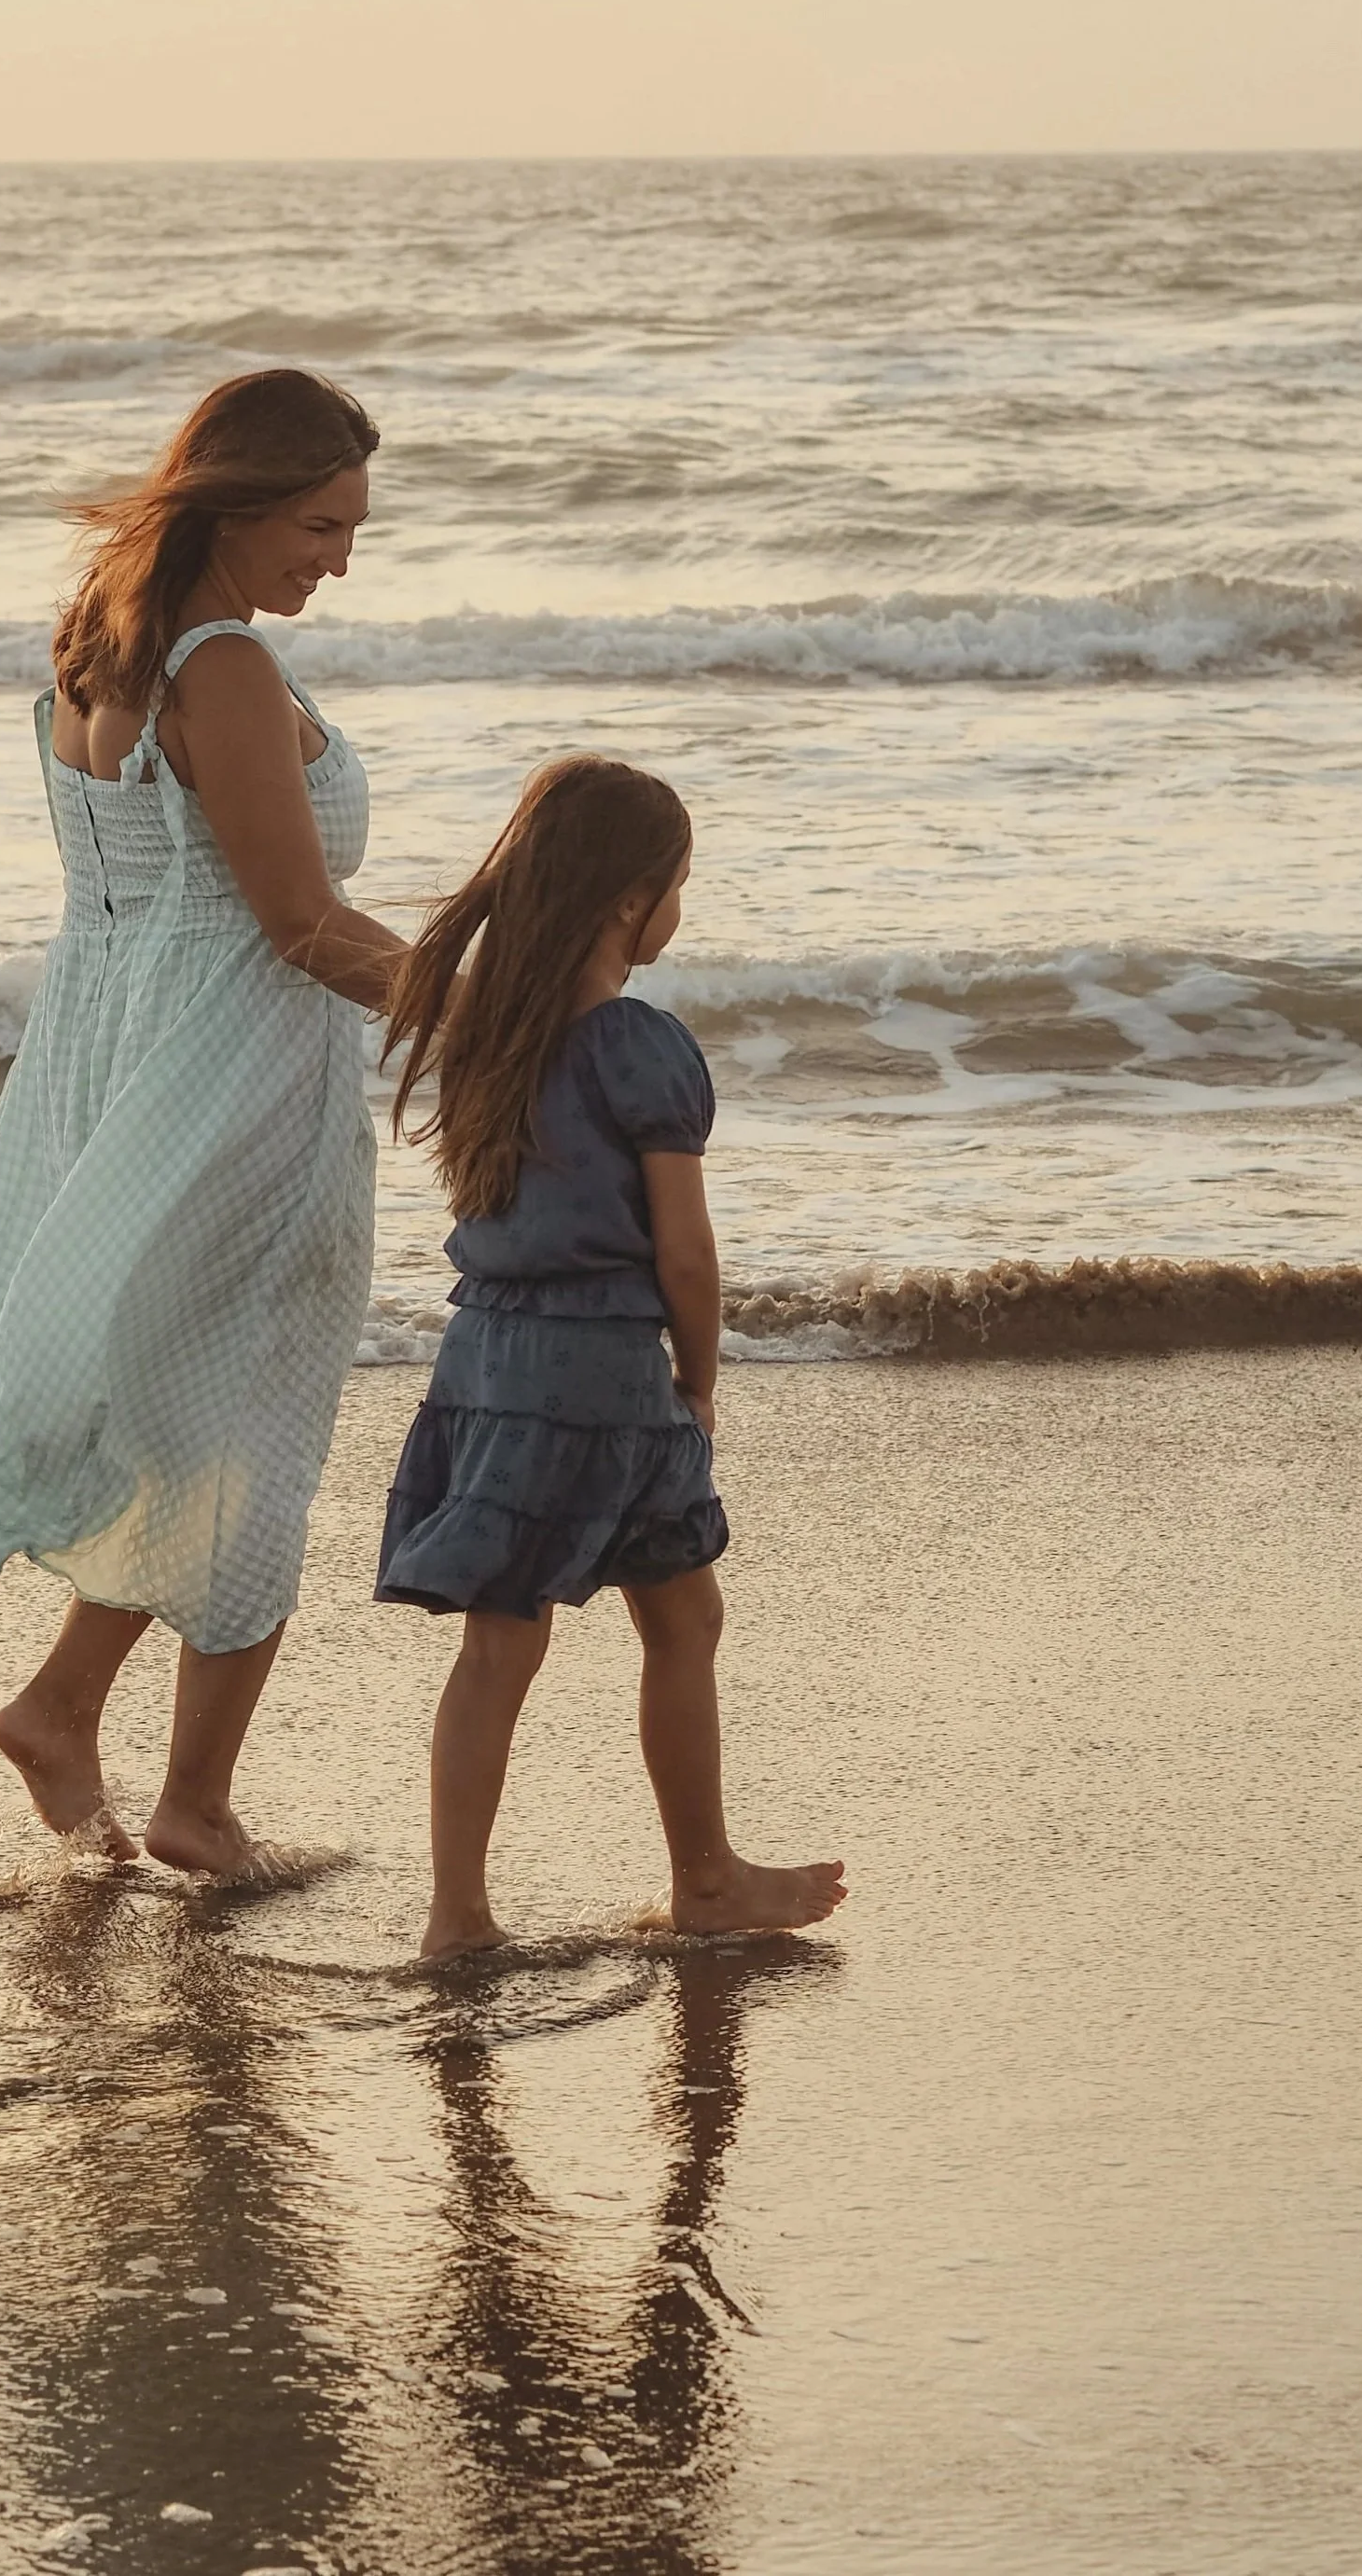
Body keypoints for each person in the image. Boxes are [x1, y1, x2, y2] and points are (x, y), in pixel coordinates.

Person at [0, 369, 405, 1879]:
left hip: (128, 1079)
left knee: (184, 1421)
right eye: (322, 524)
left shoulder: (93, 651)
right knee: (251, 1439)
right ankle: (194, 1802)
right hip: (239, 1099)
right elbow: (302, 926)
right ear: (240, 503)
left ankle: (66, 1709)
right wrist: (497, 1008)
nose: (340, 556)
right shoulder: (228, 671)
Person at [374, 755, 848, 1959]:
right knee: (668, 1625)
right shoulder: (638, 1045)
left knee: (544, 1628)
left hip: (483, 1354)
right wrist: (696, 1378)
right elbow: (686, 1255)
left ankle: (480, 1907)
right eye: (679, 885)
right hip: (603, 1370)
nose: (678, 911)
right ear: (629, 900)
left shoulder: (491, 1027)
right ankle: (674, 1882)